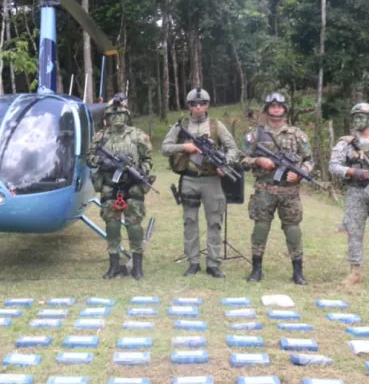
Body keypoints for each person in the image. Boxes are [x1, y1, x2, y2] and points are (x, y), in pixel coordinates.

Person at [161, 87, 240, 278]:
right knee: (190, 222)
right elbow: (165, 148)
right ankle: (193, 262)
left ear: (207, 105)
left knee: (215, 222)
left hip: (212, 180)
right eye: (194, 104)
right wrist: (185, 147)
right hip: (189, 179)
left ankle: (213, 264)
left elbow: (233, 149)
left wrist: (225, 163)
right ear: (189, 106)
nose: (198, 107)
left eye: (202, 103)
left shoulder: (216, 125)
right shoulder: (180, 126)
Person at [241, 93, 313, 285]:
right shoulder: (256, 134)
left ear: (285, 109)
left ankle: (298, 272)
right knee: (261, 227)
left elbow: (309, 160)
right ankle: (256, 270)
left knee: (293, 229)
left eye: (279, 106)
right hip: (264, 189)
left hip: (290, 192)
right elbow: (241, 158)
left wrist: (300, 174)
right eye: (272, 106)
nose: (276, 109)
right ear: (267, 109)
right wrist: (258, 160)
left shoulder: (297, 134)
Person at [87, 94, 153, 280]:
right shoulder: (100, 137)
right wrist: (103, 161)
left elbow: (148, 159)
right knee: (112, 227)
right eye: (113, 115)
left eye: (121, 114)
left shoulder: (138, 136)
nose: (117, 118)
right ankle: (114, 266)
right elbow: (89, 158)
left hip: (132, 187)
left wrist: (139, 171)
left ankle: (137, 266)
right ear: (107, 117)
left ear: (127, 116)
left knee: (134, 227)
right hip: (110, 187)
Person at [329, 102, 369, 286]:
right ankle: (355, 272)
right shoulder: (346, 143)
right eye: (354, 117)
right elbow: (333, 166)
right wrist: (353, 172)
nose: (357, 120)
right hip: (355, 192)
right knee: (354, 232)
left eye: (361, 117)